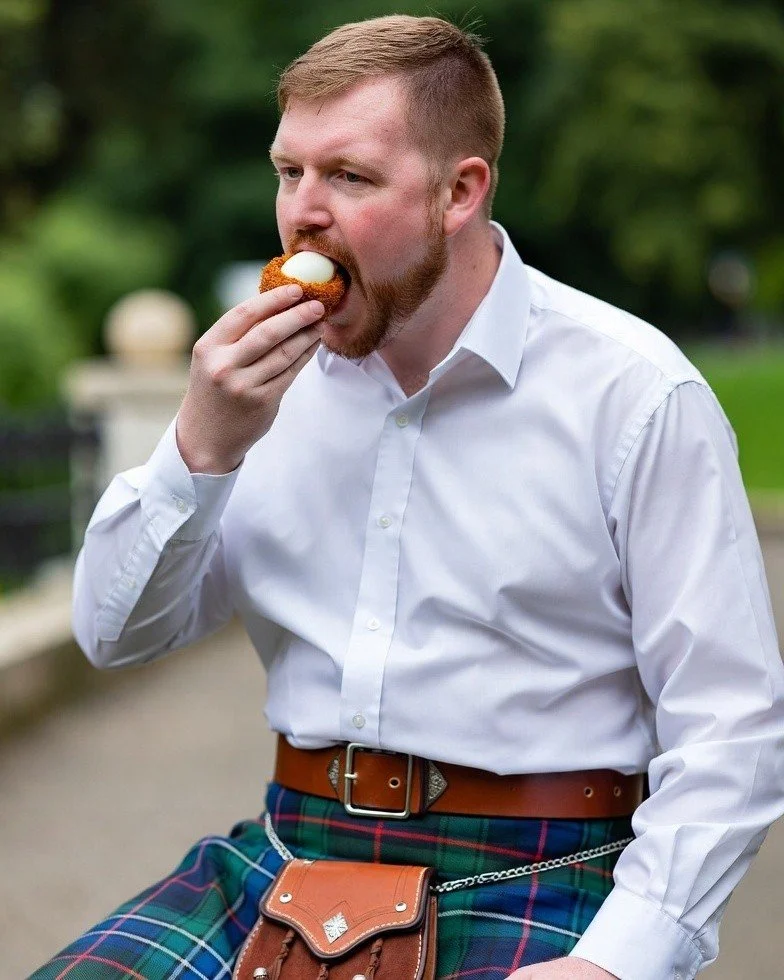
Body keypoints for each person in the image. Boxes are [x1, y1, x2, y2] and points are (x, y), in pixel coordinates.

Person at [30, 14, 784, 980]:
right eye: (289, 171)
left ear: (459, 191)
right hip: (285, 854)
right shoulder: (254, 389)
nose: (303, 212)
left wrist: (620, 960)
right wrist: (199, 448)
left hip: (542, 872)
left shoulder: (633, 393)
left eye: (349, 177)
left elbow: (732, 724)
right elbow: (114, 635)